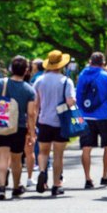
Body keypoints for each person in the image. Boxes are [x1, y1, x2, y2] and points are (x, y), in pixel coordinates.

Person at [0, 55, 37, 200]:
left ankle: (1, 188)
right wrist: (32, 132)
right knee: (16, 159)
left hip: (1, 124)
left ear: (11, 69)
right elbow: (31, 113)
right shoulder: (29, 90)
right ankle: (16, 187)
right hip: (18, 127)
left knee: (2, 156)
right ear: (26, 70)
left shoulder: (0, 84)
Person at [33, 50, 75, 197]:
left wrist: (34, 122)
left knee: (43, 152)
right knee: (58, 155)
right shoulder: (66, 81)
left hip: (43, 120)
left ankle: (43, 173)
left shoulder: (39, 81)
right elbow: (70, 102)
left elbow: (35, 103)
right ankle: (56, 184)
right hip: (60, 122)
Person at [76, 52, 107, 189]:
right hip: (104, 115)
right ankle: (104, 176)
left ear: (90, 61)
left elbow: (78, 95)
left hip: (85, 116)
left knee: (86, 148)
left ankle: (87, 178)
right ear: (103, 63)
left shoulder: (82, 75)